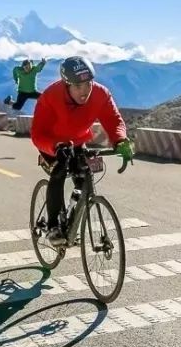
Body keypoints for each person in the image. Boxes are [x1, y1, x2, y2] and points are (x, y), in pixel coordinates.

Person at [31, 56, 135, 246]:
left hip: (77, 141)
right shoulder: (51, 96)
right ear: (67, 84)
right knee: (60, 171)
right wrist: (54, 147)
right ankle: (54, 226)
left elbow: (114, 120)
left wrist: (120, 140)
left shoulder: (100, 94)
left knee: (83, 176)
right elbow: (37, 133)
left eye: (88, 84)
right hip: (52, 143)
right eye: (78, 86)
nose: (85, 91)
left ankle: (71, 221)